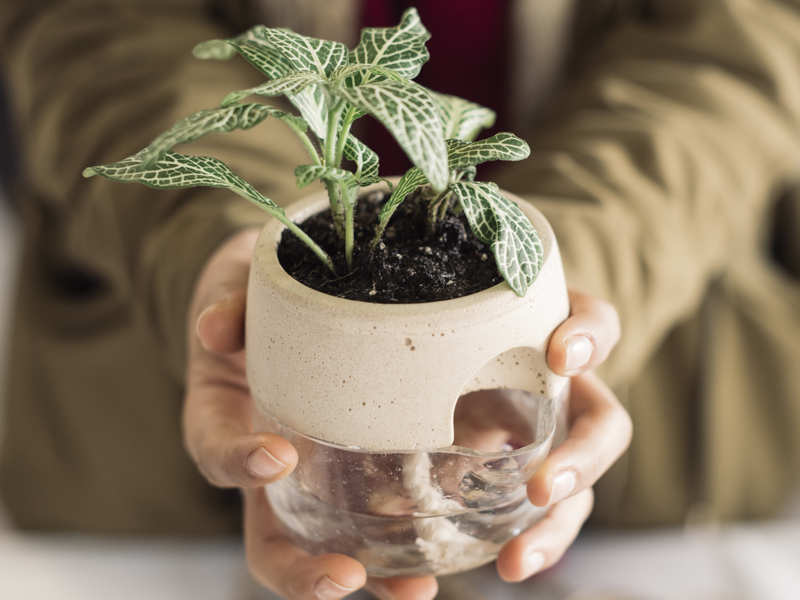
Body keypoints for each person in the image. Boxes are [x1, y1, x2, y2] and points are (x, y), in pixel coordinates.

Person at [1, 0, 799, 599]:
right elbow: (91, 24)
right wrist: (218, 246)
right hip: (145, 460)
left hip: (665, 447)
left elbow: (738, 41)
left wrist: (559, 280)